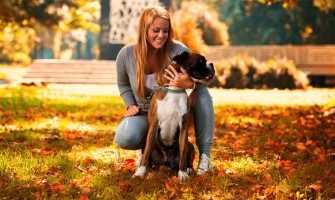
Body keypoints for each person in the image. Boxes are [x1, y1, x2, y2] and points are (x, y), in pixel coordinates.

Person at [114, 3, 214, 175]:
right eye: (156, 30)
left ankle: (205, 157)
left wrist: (189, 84)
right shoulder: (126, 54)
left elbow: (202, 78)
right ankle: (147, 153)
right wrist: (130, 105)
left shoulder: (179, 51)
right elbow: (123, 84)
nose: (161, 35)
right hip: (145, 113)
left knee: (203, 94)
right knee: (126, 137)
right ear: (144, 29)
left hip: (175, 111)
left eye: (165, 31)